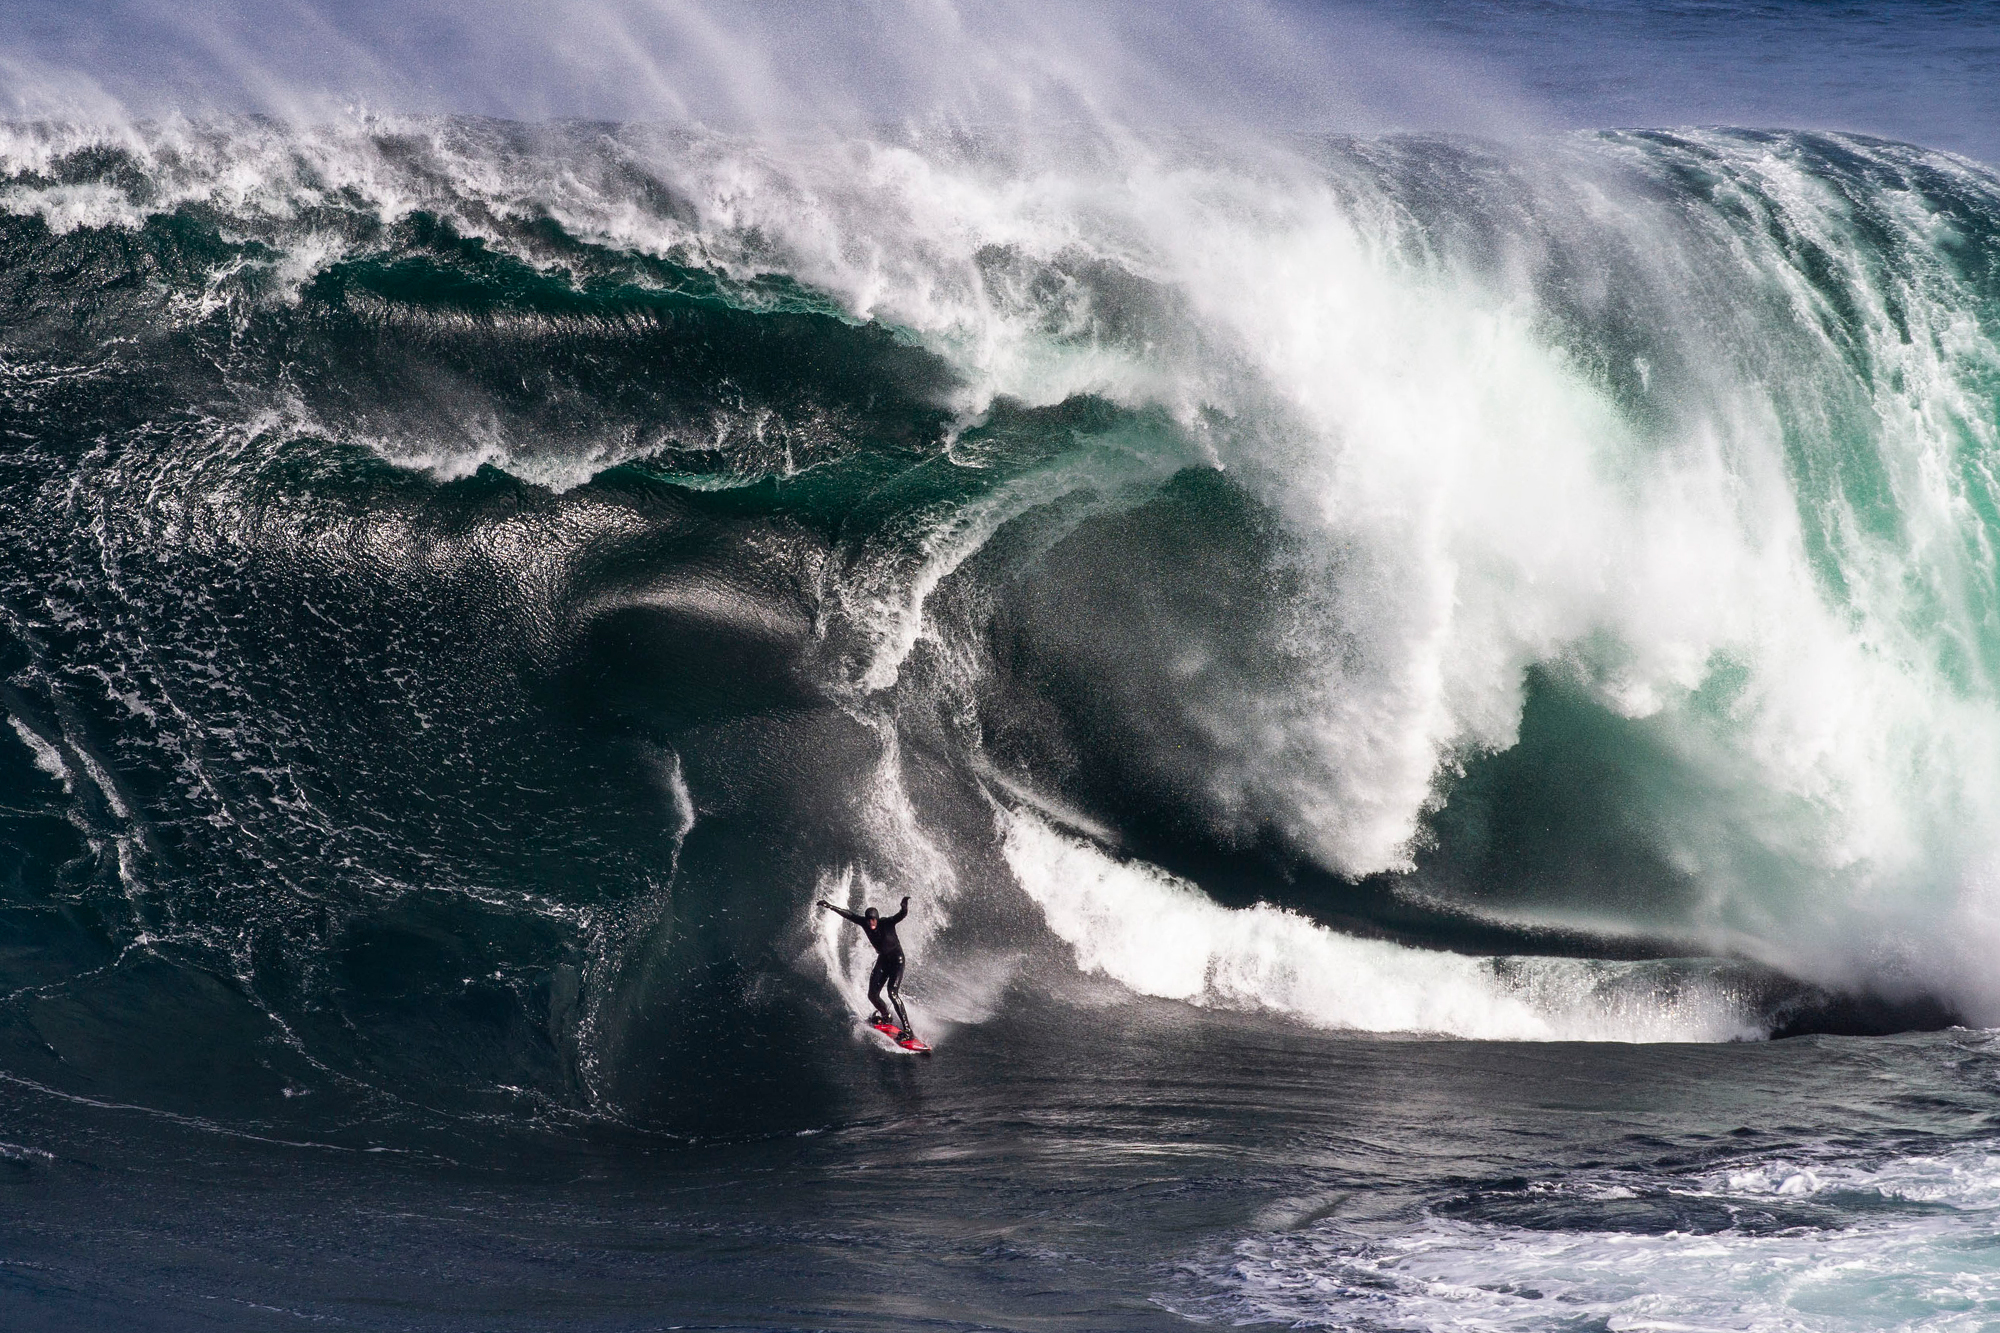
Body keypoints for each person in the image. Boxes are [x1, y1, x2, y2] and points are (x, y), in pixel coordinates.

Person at [817, 893, 914, 1038]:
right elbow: (849, 915)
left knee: (892, 993)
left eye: (873, 920)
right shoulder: (864, 923)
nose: (871, 923)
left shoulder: (887, 923)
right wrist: (830, 906)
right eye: (869, 920)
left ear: (877, 918)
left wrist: (904, 906)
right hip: (883, 960)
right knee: (872, 995)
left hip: (896, 961)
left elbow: (901, 915)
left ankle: (908, 1030)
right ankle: (886, 1015)